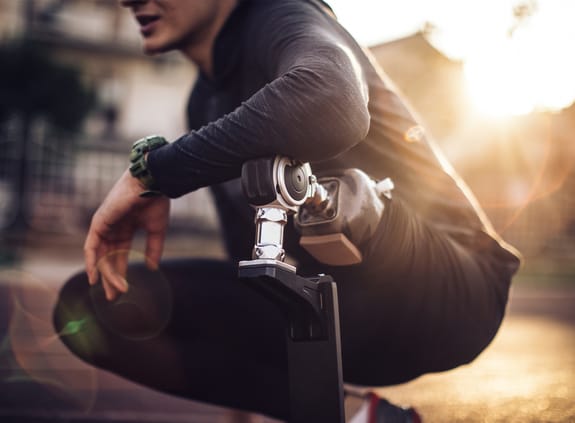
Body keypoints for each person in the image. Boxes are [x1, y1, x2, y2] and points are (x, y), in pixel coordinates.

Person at [54, 0, 521, 421]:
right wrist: (246, 405)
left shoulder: (281, 16)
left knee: (344, 204)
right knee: (90, 305)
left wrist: (150, 175)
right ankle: (364, 418)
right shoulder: (203, 101)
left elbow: (331, 100)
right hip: (336, 311)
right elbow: (253, 259)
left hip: (449, 291)